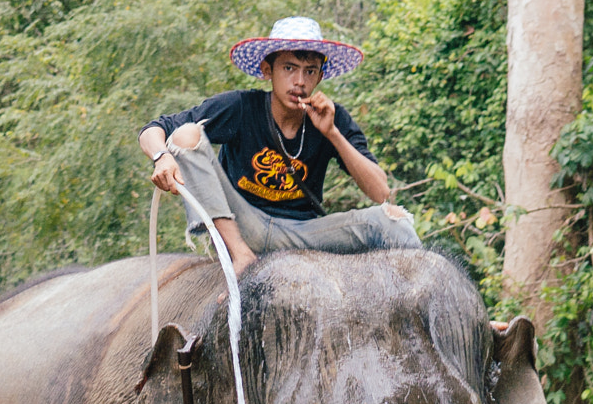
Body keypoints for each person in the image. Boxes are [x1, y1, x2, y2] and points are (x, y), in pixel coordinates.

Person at [138, 16, 421, 271]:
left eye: (310, 71)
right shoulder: (240, 108)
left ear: (320, 77)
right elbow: (154, 130)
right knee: (186, 135)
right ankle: (241, 256)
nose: (299, 81)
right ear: (267, 70)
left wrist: (332, 133)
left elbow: (381, 191)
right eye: (289, 68)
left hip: (304, 232)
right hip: (244, 224)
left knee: (392, 221)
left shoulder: (333, 117)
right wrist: (161, 157)